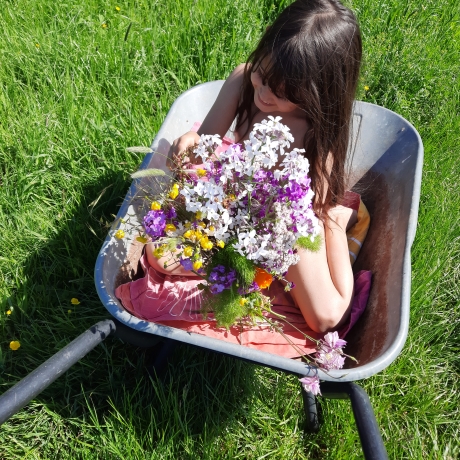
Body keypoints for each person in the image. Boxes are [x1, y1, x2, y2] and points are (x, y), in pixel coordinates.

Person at [145, 0, 365, 334]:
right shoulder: (244, 79)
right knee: (159, 252)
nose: (262, 93)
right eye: (262, 76)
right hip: (238, 198)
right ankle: (246, 272)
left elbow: (312, 202)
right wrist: (191, 141)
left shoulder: (317, 128)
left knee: (325, 318)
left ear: (320, 91)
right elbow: (206, 143)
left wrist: (276, 235)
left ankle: (338, 223)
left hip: (288, 218)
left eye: (280, 92)